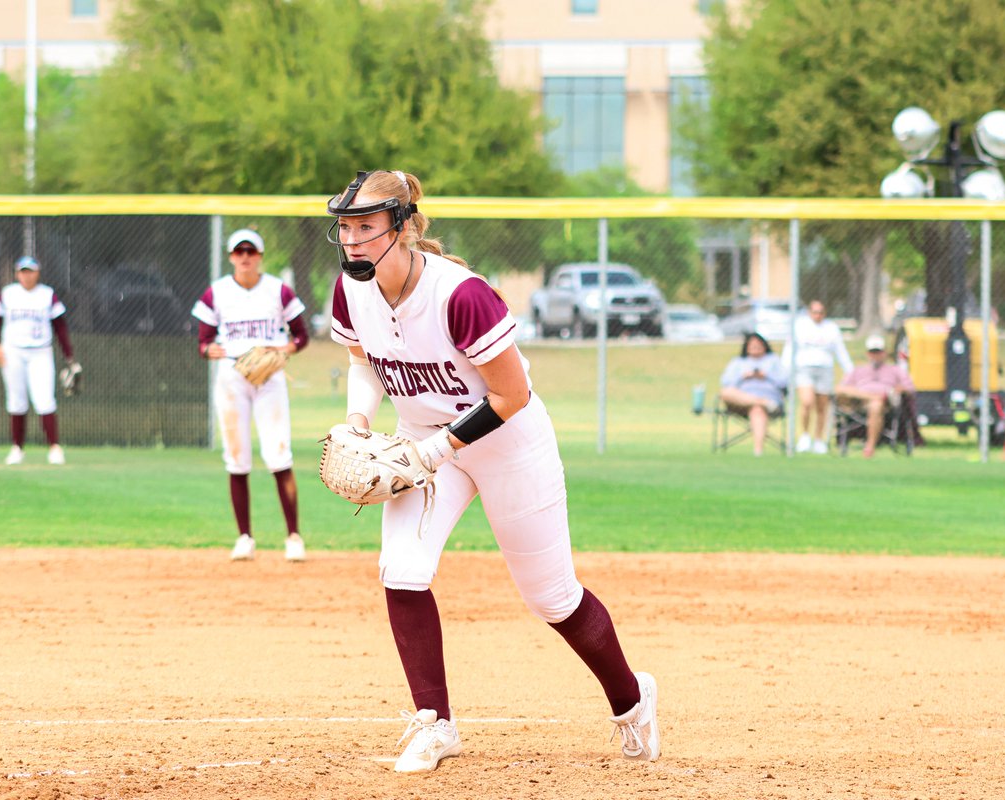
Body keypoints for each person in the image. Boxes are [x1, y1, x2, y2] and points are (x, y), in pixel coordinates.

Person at [324, 170, 659, 773]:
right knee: (403, 571)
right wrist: (356, 420)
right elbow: (362, 359)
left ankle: (632, 703)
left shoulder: (461, 295)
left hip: (507, 445)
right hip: (423, 443)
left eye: (366, 226)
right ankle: (435, 724)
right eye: (344, 228)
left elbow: (512, 396)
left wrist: (433, 452)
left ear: (403, 227)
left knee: (552, 598)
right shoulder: (351, 292)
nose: (351, 240)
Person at [191, 229, 309, 562]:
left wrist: (286, 349)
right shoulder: (217, 292)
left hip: (269, 376)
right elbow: (203, 340)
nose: (245, 256)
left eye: (251, 251)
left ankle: (293, 537)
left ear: (260, 255)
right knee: (237, 457)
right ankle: (245, 537)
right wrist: (207, 349)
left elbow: (301, 335)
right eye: (239, 251)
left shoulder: (278, 290)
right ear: (231, 256)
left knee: (279, 454)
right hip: (232, 376)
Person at [0, 256, 76, 466]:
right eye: (23, 271)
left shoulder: (47, 295)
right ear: (17, 273)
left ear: (37, 273)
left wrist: (69, 356)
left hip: (41, 352)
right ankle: (17, 448)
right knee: (16, 400)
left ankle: (54, 448)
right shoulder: (8, 294)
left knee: (45, 399)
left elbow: (60, 327)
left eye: (31, 271)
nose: (27, 275)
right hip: (13, 351)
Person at [785, 300, 853, 454]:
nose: (818, 315)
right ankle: (804, 435)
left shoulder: (831, 328)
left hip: (825, 369)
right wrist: (786, 369)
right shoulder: (800, 325)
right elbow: (789, 348)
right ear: (809, 312)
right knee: (807, 402)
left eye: (821, 312)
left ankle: (818, 439)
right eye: (815, 312)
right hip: (804, 368)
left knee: (822, 407)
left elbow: (840, 350)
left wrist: (850, 370)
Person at [835, 334, 915, 458]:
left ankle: (870, 447)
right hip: (858, 403)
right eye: (872, 352)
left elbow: (910, 388)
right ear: (867, 353)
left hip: (886, 404)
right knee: (844, 392)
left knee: (876, 405)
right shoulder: (857, 371)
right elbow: (840, 389)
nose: (875, 355)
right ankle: (871, 398)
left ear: (885, 353)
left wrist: (896, 390)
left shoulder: (896, 370)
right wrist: (869, 396)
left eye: (878, 352)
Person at [718, 332, 788, 456]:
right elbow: (726, 382)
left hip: (769, 398)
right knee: (725, 392)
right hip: (741, 401)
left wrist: (766, 376)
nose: (755, 347)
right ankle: (762, 402)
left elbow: (784, 382)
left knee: (757, 410)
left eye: (758, 345)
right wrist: (743, 376)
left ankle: (758, 451)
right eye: (752, 345)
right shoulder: (738, 362)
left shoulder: (774, 360)